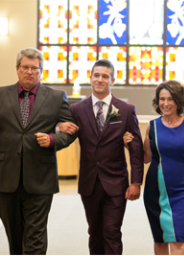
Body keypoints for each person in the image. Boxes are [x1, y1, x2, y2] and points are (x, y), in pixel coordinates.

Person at [0, 47, 78, 255]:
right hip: (6, 177)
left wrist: (52, 139)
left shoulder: (56, 97)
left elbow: (71, 131)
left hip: (41, 177)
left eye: (34, 68)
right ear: (17, 69)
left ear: (41, 71)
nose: (29, 72)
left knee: (35, 237)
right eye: (25, 67)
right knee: (15, 236)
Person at [58, 59, 144, 255]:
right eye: (96, 75)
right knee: (95, 233)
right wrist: (58, 127)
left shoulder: (125, 110)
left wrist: (136, 182)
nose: (100, 79)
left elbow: (136, 149)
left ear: (112, 80)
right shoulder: (77, 110)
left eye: (105, 76)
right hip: (89, 182)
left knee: (112, 232)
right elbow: (66, 136)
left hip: (116, 182)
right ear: (90, 78)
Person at [142, 80, 184, 256]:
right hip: (155, 190)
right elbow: (146, 158)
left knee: (178, 238)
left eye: (170, 99)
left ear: (179, 101)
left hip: (182, 191)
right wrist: (128, 145)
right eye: (162, 99)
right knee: (160, 238)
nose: (165, 103)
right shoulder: (152, 126)